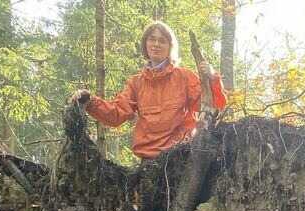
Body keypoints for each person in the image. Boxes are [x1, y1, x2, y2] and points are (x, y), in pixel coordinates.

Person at [73, 21, 227, 159]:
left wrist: (213, 78)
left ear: (170, 47)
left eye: (162, 40)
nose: (156, 44)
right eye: (152, 39)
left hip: (181, 156)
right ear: (145, 44)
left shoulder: (184, 76)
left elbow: (212, 106)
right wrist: (90, 101)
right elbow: (116, 113)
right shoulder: (136, 83)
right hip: (148, 162)